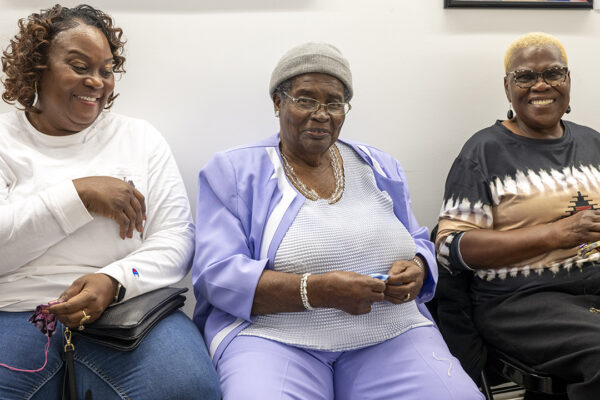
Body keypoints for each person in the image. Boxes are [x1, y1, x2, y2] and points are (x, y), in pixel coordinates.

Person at [193, 41, 483, 400]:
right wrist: (318, 291)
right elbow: (216, 276)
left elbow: (419, 240)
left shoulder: (379, 166)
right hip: (274, 337)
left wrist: (418, 269)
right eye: (305, 99)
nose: (321, 113)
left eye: (333, 102)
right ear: (277, 102)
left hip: (390, 332)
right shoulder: (235, 171)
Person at [0, 4, 220, 399]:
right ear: (38, 67)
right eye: (79, 65)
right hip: (15, 309)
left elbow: (176, 238)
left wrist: (115, 281)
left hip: (128, 308)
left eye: (105, 69)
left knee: (188, 388)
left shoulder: (140, 138)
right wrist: (79, 195)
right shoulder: (4, 138)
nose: (96, 81)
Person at [436, 32, 600, 400]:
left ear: (568, 81)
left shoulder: (593, 142)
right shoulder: (483, 152)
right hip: (522, 301)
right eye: (525, 77)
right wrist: (555, 234)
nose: (541, 85)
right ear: (508, 88)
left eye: (553, 73)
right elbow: (450, 248)